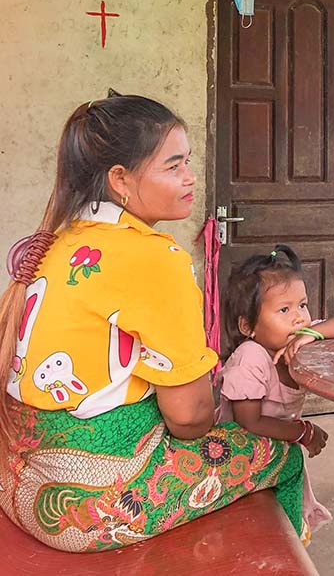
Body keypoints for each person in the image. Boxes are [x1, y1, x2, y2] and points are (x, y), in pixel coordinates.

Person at [0, 93, 306, 552]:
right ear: (120, 178)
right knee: (284, 457)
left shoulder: (57, 240)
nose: (190, 177)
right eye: (174, 165)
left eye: (189, 162)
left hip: (18, 482)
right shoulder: (153, 259)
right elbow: (189, 420)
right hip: (90, 507)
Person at [217, 244, 334, 537]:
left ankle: (288, 545)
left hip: (277, 448)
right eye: (284, 309)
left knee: (282, 517)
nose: (299, 318)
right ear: (248, 326)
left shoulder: (303, 338)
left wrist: (316, 332)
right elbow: (249, 422)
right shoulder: (252, 356)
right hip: (240, 455)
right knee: (255, 523)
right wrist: (305, 432)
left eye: (303, 305)